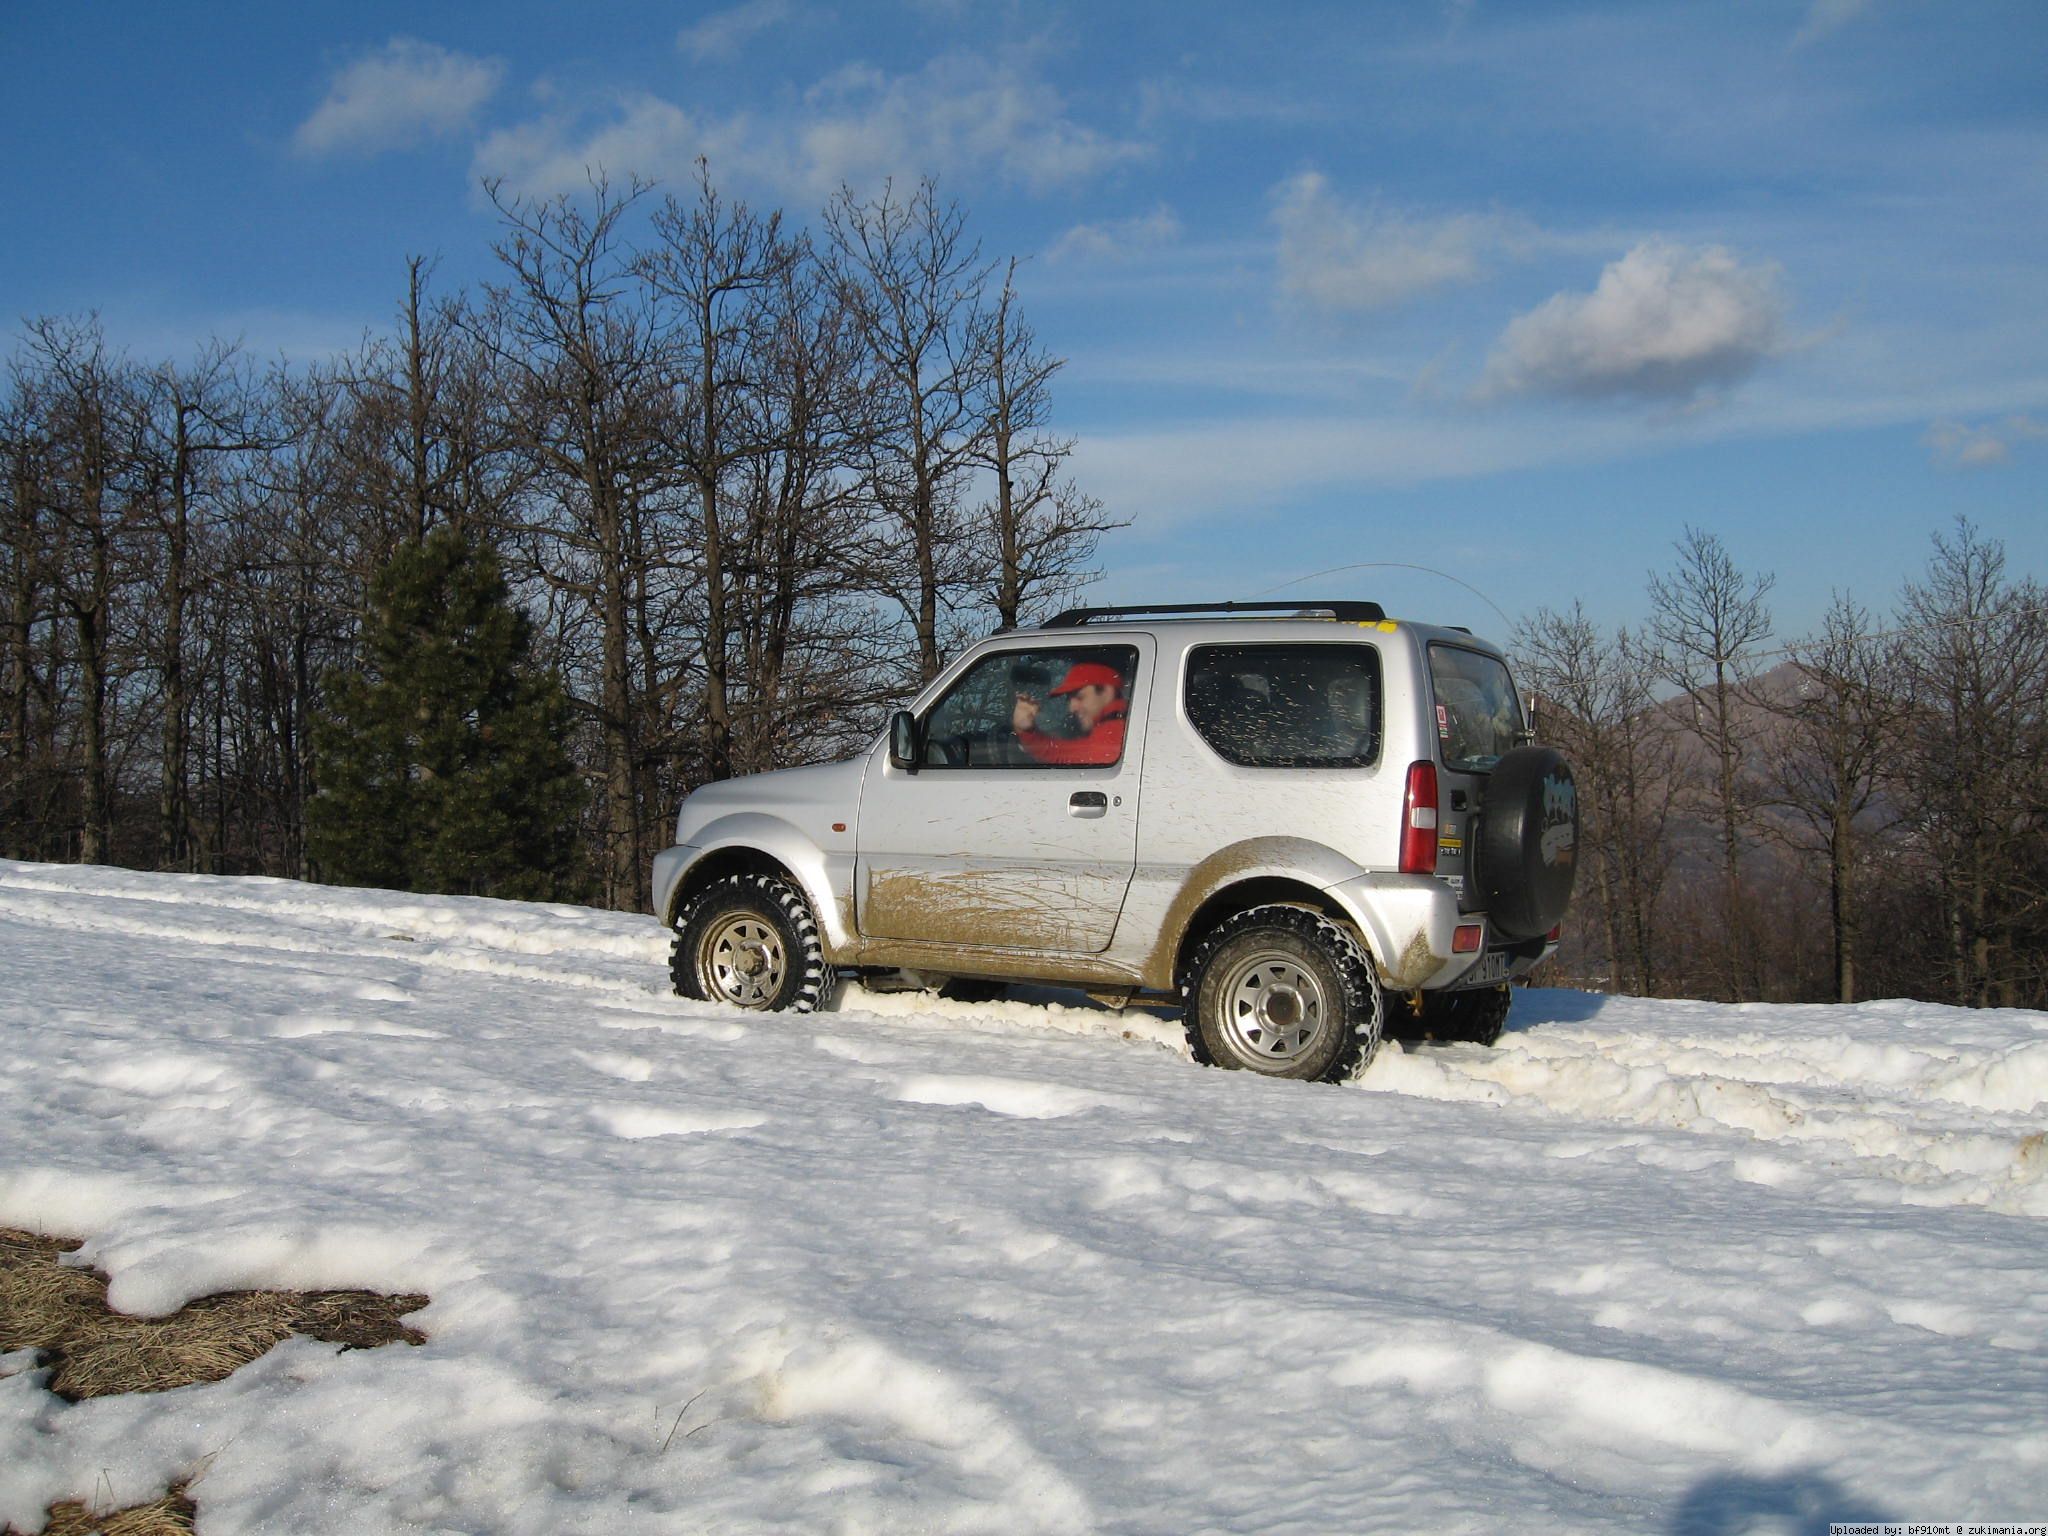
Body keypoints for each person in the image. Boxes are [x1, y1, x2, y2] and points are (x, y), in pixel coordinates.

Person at [1011, 660, 1128, 766]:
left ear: (1107, 692)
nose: (1072, 708)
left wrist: (1026, 733)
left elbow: (1064, 756)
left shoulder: (1114, 732)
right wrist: (1027, 731)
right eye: (1069, 699)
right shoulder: (1118, 725)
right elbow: (1066, 753)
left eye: (1080, 697)